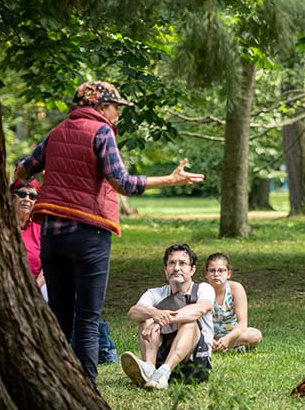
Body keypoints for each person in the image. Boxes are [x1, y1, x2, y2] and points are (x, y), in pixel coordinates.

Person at [13, 81, 204, 383]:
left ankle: (57, 382)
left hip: (52, 235)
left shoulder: (57, 132)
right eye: (116, 107)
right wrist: (170, 180)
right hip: (89, 234)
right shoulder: (101, 132)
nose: (118, 114)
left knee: (59, 315)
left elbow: (25, 169)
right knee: (87, 318)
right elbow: (121, 183)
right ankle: (86, 387)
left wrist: (17, 179)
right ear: (100, 106)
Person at [121, 244, 214, 389]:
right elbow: (133, 312)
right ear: (165, 270)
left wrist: (160, 321)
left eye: (182, 263)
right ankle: (150, 369)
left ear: (192, 269)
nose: (176, 268)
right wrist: (153, 314)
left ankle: (164, 372)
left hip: (194, 366)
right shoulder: (154, 293)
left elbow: (199, 309)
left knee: (189, 321)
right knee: (146, 318)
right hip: (159, 361)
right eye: (172, 263)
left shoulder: (203, 289)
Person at [204, 253, 262, 353]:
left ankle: (222, 347)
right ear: (206, 274)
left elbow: (242, 323)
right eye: (212, 270)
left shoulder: (236, 288)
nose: (216, 274)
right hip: (208, 335)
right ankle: (223, 348)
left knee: (255, 335)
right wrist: (209, 338)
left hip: (232, 335)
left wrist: (228, 339)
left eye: (221, 271)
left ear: (229, 274)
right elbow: (197, 322)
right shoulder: (202, 290)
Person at [11, 178, 46, 300]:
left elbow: (47, 267)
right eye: (22, 194)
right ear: (12, 198)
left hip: (37, 285)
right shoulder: (0, 226)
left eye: (32, 197)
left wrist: (35, 288)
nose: (27, 199)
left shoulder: (41, 229)